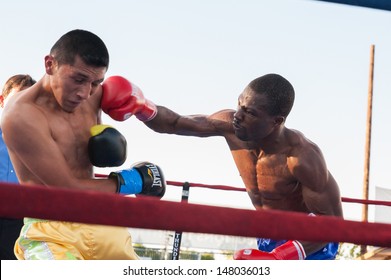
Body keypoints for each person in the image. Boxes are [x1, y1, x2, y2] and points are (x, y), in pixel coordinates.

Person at [100, 74, 344, 260]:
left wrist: (282, 256)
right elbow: (175, 123)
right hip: (270, 232)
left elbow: (332, 224)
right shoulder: (230, 126)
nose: (238, 115)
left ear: (276, 121)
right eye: (239, 105)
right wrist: (142, 107)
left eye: (249, 112)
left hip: (311, 240)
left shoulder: (301, 157)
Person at [1, 29, 166, 260]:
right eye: (78, 79)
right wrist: (135, 181)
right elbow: (67, 189)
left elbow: (168, 119)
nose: (84, 93)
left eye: (96, 83)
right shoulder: (20, 115)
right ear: (50, 65)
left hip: (99, 218)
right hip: (51, 231)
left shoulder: (92, 93)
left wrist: (216, 126)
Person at [0, 74, 36, 260]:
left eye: (28, 102)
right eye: (16, 99)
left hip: (21, 222)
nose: (21, 108)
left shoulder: (42, 145)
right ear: (2, 100)